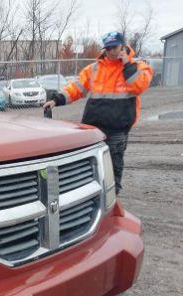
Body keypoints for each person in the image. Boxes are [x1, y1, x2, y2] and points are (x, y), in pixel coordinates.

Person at [43, 32, 153, 194]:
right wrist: (56, 100)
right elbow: (76, 89)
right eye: (108, 48)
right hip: (91, 128)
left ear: (123, 46)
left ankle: (112, 201)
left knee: (113, 168)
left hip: (117, 130)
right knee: (88, 167)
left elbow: (138, 86)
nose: (112, 52)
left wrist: (127, 65)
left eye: (115, 47)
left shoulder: (138, 67)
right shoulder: (94, 69)